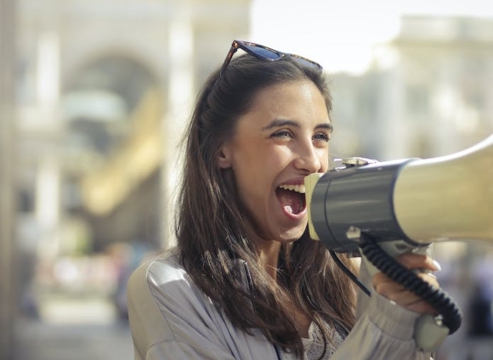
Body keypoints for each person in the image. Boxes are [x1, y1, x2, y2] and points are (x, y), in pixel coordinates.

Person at [126, 40, 442, 360]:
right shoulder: (168, 288)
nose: (312, 161)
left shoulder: (349, 277)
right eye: (283, 134)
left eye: (320, 137)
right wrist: (384, 328)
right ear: (222, 150)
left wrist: (409, 328)